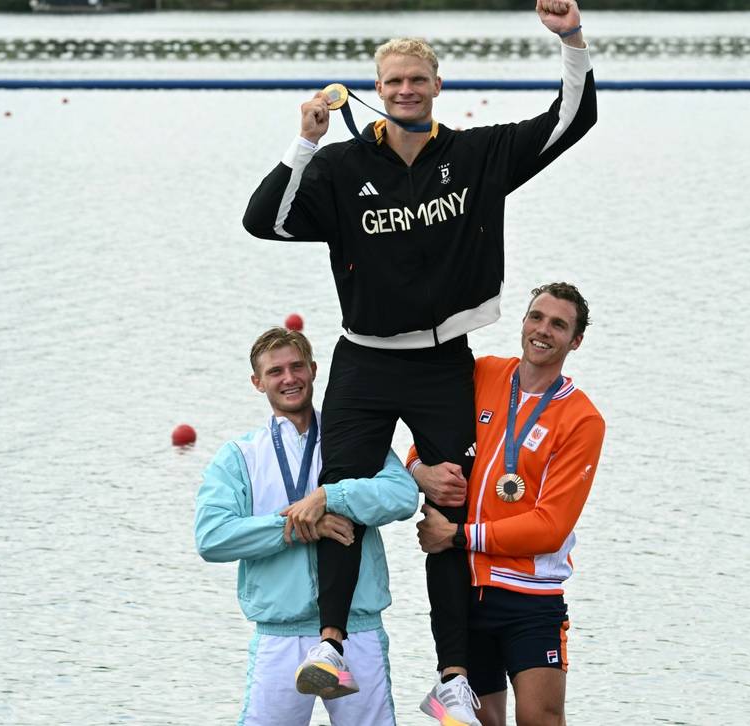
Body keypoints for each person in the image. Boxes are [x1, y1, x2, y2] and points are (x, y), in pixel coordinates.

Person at [242, 2, 596, 722]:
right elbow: (266, 219)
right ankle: (331, 646)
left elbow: (571, 120)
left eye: (417, 79)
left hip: (441, 364)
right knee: (339, 492)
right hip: (365, 362)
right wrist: (304, 142)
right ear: (379, 86)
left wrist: (572, 40)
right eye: (393, 80)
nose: (405, 89)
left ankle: (454, 674)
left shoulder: (474, 156)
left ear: (438, 85)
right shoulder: (342, 165)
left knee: (450, 504)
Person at [194, 327, 418, 726]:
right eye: (275, 371)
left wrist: (331, 497)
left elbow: (402, 496)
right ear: (257, 382)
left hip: (356, 630)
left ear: (314, 370)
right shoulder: (240, 456)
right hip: (280, 634)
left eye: (297, 366)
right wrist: (298, 527)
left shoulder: (354, 436)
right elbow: (212, 537)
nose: (289, 378)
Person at [409, 282, 605, 726]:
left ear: (575, 341)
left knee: (541, 719)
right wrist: (420, 472)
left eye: (558, 325)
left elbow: (550, 527)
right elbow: (424, 446)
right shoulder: (483, 374)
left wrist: (457, 535)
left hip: (531, 599)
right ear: (523, 322)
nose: (543, 330)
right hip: (467, 590)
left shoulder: (582, 419)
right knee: (479, 723)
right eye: (536, 317)